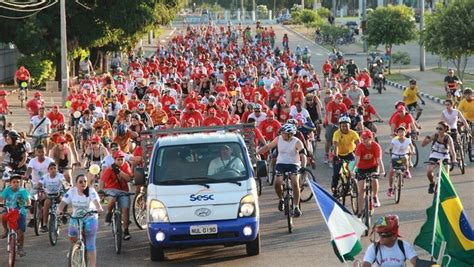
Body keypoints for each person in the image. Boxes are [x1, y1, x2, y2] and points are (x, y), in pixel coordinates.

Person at [256, 124, 307, 217]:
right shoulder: (279, 139)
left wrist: (303, 167)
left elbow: (303, 156)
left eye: (284, 133)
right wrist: (257, 153)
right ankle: (281, 199)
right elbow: (268, 147)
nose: (282, 135)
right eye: (282, 133)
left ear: (290, 134)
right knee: (277, 183)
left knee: (295, 183)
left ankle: (296, 206)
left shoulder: (297, 142)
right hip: (281, 164)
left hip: (294, 164)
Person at [56, 174, 102, 267]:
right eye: (80, 182)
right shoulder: (72, 191)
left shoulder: (91, 191)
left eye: (85, 181)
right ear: (76, 184)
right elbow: (63, 202)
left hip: (90, 217)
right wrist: (59, 210)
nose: (83, 183)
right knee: (72, 234)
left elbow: (96, 202)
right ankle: (74, 249)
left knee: (90, 244)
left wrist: (98, 208)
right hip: (76, 217)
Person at [99, 150, 133, 240]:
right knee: (113, 198)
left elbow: (129, 178)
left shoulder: (126, 166)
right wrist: (101, 192)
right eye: (118, 159)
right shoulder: (110, 169)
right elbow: (102, 181)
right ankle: (109, 213)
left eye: (122, 159)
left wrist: (119, 172)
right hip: (112, 189)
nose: (120, 161)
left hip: (123, 190)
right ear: (114, 160)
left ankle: (126, 230)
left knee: (125, 209)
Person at [421, 121, 456, 194]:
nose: (438, 130)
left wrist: (454, 159)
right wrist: (425, 139)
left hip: (444, 155)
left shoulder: (448, 138)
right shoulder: (435, 135)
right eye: (437, 128)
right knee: (429, 171)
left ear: (445, 129)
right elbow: (423, 145)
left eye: (440, 129)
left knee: (446, 176)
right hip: (434, 154)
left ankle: (441, 188)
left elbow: (452, 150)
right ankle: (432, 183)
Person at [354, 130, 384, 212]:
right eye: (362, 138)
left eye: (365, 138)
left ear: (370, 138)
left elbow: (379, 160)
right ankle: (359, 212)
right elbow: (357, 160)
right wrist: (353, 170)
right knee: (361, 191)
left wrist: (382, 171)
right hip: (361, 168)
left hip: (373, 166)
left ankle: (375, 196)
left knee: (374, 178)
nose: (363, 140)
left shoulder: (376, 146)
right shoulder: (360, 146)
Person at [0, 174, 30, 257]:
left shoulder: (22, 191)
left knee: (20, 231)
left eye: (18, 182)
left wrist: (28, 204)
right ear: (10, 183)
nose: (16, 183)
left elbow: (28, 200)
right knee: (3, 216)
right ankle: (6, 230)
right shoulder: (7, 190)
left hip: (20, 211)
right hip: (9, 209)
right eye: (14, 182)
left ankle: (21, 247)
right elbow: (1, 198)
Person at [35, 162, 69, 232]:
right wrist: (38, 186)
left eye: (55, 168)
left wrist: (67, 186)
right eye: (51, 169)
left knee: (64, 199)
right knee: (46, 204)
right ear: (48, 170)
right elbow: (39, 183)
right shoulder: (45, 177)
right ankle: (44, 224)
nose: (53, 170)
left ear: (57, 169)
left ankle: (64, 214)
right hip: (49, 195)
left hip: (58, 194)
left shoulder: (60, 176)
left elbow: (65, 184)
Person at [331, 116, 359, 195]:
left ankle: (353, 184)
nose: (344, 127)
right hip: (338, 154)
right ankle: (335, 188)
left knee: (354, 170)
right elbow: (335, 146)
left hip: (349, 154)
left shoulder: (354, 133)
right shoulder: (337, 133)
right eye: (342, 126)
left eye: (346, 126)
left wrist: (359, 155)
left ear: (349, 126)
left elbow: (358, 144)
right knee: (336, 173)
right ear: (340, 126)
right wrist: (336, 157)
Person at [385, 127, 413, 197]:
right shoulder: (394, 140)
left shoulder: (408, 140)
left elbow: (411, 147)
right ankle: (390, 188)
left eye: (402, 132)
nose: (401, 133)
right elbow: (390, 146)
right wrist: (387, 150)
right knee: (391, 171)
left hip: (404, 156)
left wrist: (413, 151)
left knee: (405, 158)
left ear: (405, 133)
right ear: (397, 134)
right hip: (395, 156)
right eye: (399, 132)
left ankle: (407, 171)